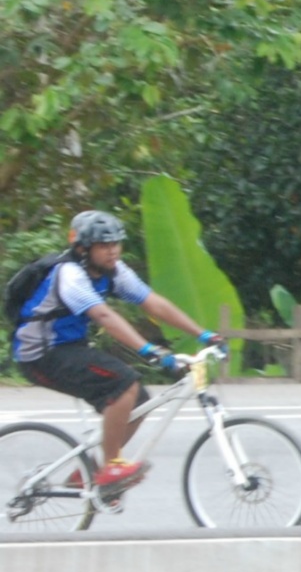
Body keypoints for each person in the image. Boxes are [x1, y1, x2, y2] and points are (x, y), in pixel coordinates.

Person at [9, 210, 217, 500]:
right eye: (104, 245)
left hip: (69, 348)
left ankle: (88, 475)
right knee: (124, 383)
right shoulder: (69, 274)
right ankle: (110, 469)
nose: (113, 250)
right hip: (39, 354)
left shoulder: (114, 272)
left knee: (140, 400)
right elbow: (104, 316)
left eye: (116, 243)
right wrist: (149, 350)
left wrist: (203, 334)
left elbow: (153, 303)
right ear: (83, 248)